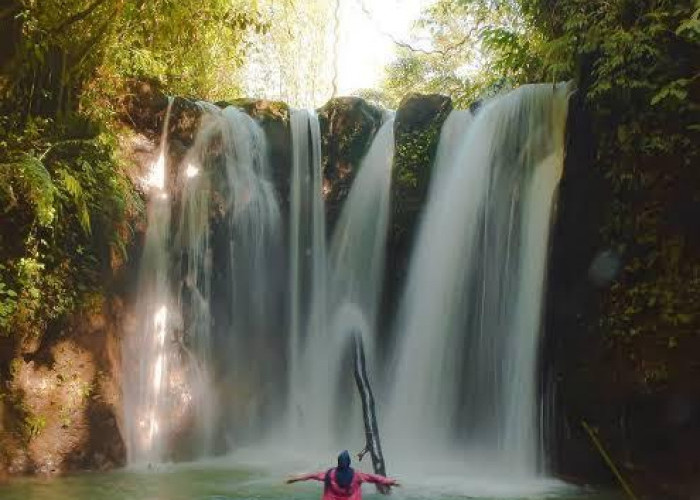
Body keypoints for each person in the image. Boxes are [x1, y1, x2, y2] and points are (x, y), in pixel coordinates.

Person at [286, 450, 399, 499]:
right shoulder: (357, 475)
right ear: (349, 462)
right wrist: (391, 482)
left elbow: (312, 475)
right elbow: (374, 478)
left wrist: (295, 479)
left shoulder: (329, 474)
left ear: (338, 462)